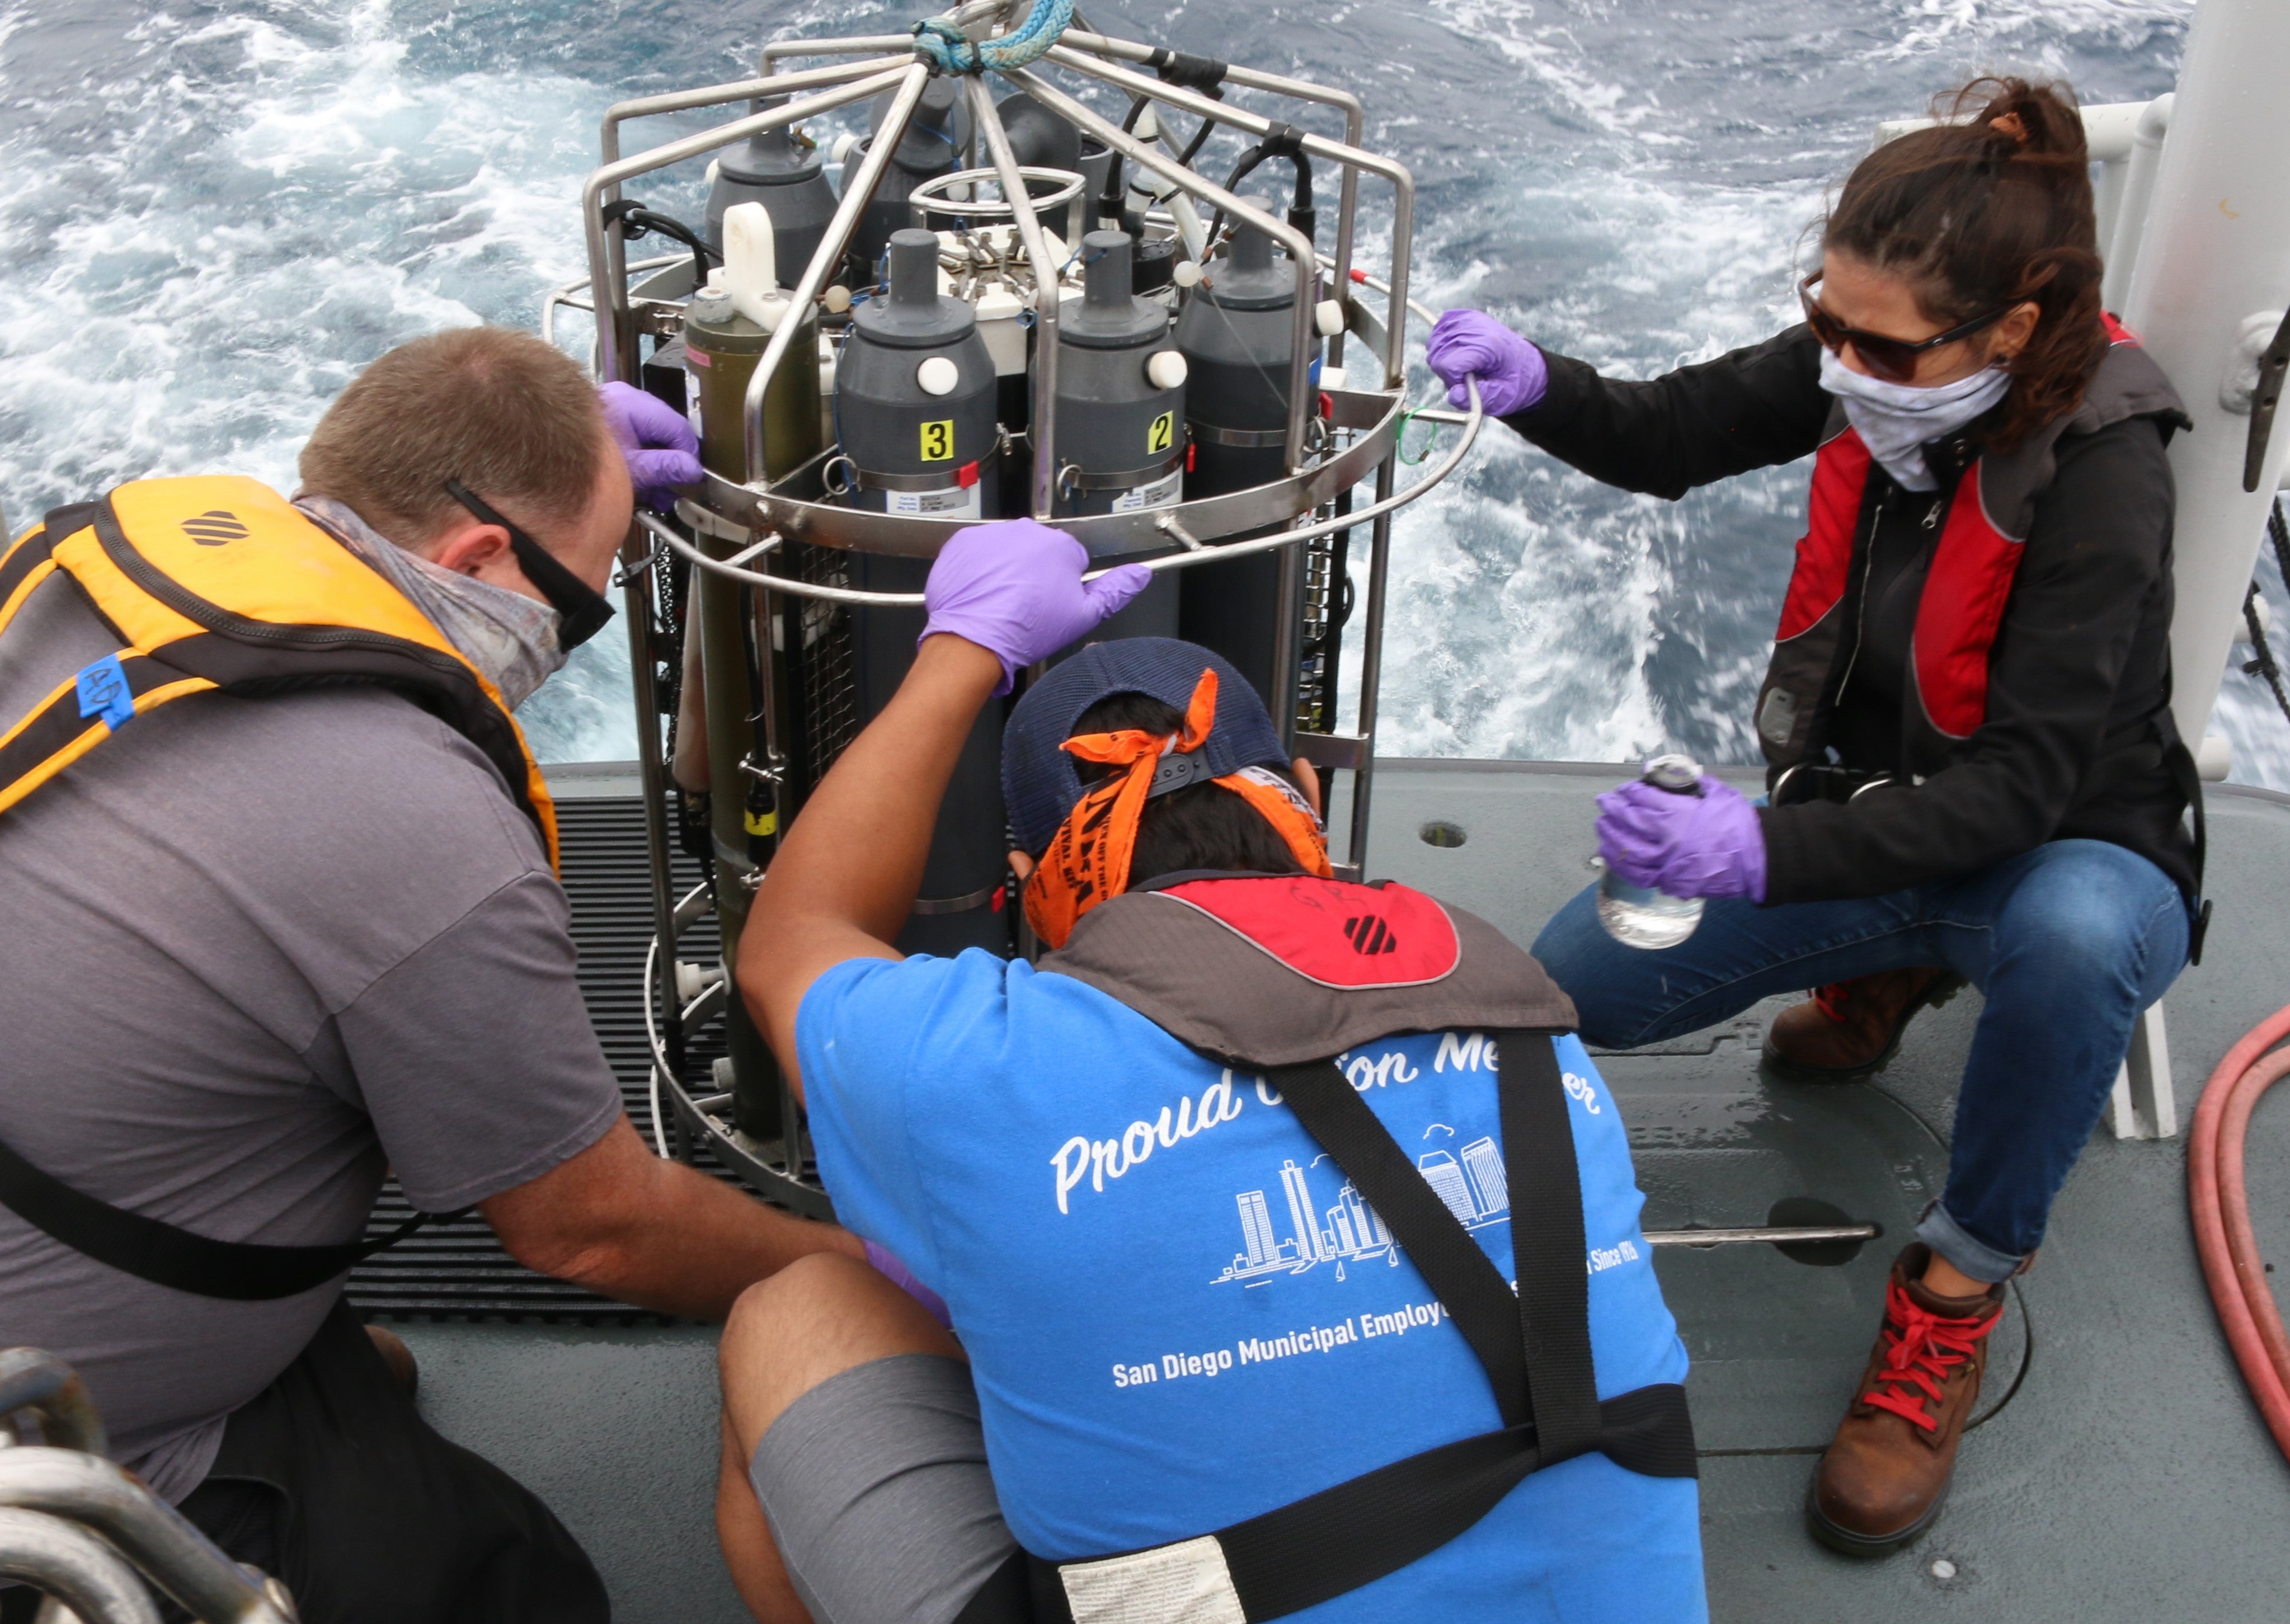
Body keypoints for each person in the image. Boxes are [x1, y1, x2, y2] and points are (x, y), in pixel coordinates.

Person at [1426, 77, 2198, 1557]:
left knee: (2076, 934)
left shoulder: (2105, 470)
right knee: (1575, 985)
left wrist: (1755, 849)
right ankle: (1885, 967)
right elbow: (1673, 429)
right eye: (1819, 320)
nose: (1836, 363)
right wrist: (1539, 382)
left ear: (2010, 334)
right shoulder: (1881, 355)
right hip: (1872, 821)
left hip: (2058, 849)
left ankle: (1953, 1288)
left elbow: (2024, 789)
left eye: (1876, 342)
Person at [0, 327, 855, 1624]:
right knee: (522, 1583)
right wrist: (844, 1269)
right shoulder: (417, 829)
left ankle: (293, 1367)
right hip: (57, 1432)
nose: (564, 639)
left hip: (58, 1186)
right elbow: (590, 1225)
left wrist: (575, 462)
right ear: (475, 562)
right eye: (579, 602)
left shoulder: (99, 556)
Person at [713, 520, 1707, 1624]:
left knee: (790, 1312)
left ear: (1027, 880)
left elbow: (791, 941)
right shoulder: (1527, 1020)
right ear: (1301, 805)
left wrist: (961, 649)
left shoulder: (979, 1071)